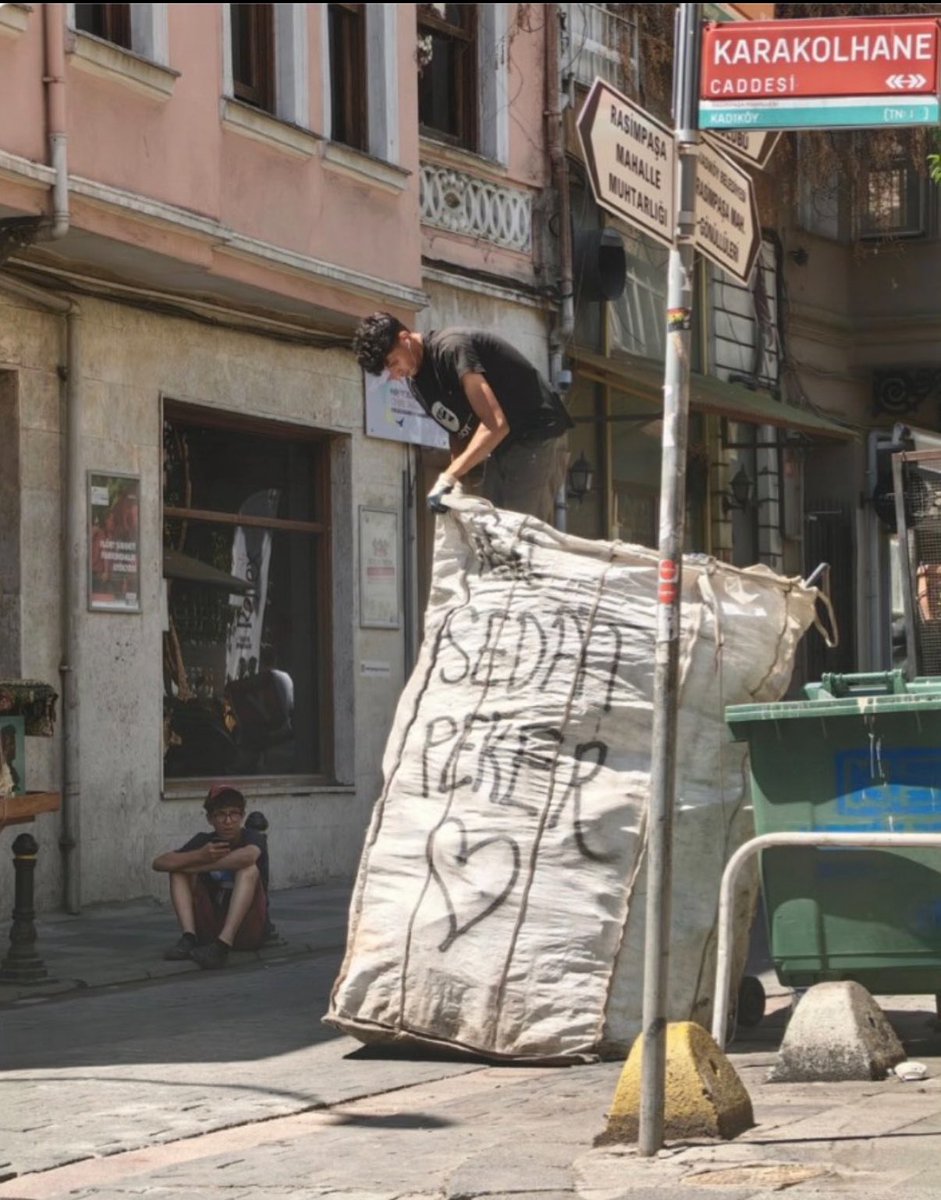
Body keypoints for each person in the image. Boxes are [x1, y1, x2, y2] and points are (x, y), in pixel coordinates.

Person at [353, 313, 573, 524]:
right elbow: (458, 431)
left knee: (516, 531)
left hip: (538, 431)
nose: (394, 375)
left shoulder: (451, 348)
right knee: (489, 526)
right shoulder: (417, 383)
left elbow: (495, 424)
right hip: (505, 445)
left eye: (393, 363)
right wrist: (455, 484)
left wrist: (448, 476)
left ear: (405, 338)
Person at [152, 783, 268, 969]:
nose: (228, 821)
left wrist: (203, 865)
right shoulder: (205, 841)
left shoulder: (251, 837)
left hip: (247, 928)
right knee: (178, 870)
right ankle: (188, 937)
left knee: (249, 869)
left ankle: (222, 946)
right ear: (210, 819)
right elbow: (159, 863)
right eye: (221, 814)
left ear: (242, 816)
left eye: (234, 814)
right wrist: (198, 856)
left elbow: (249, 856)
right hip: (209, 927)